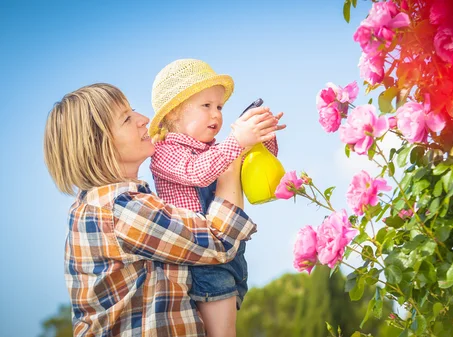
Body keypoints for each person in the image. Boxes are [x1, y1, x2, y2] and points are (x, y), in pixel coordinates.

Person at [43, 83, 280, 336]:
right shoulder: (119, 210)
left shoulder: (109, 204)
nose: (144, 119)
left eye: (133, 111)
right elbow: (218, 241)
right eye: (126, 118)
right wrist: (233, 157)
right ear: (97, 143)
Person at [148, 58, 285, 337]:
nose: (217, 115)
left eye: (219, 107)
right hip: (201, 259)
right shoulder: (164, 152)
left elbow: (247, 163)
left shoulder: (217, 149)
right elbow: (198, 173)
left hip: (229, 252)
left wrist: (261, 135)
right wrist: (238, 142)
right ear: (173, 114)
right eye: (206, 106)